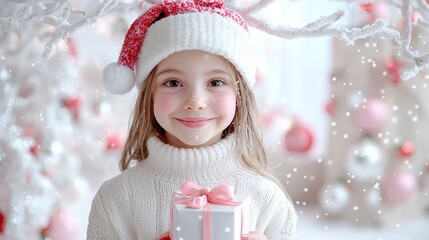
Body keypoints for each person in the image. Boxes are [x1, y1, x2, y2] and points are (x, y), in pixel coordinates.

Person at [87, 0, 298, 239]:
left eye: (216, 82)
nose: (195, 100)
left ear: (239, 96)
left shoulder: (267, 199)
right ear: (150, 95)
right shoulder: (117, 199)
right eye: (173, 83)